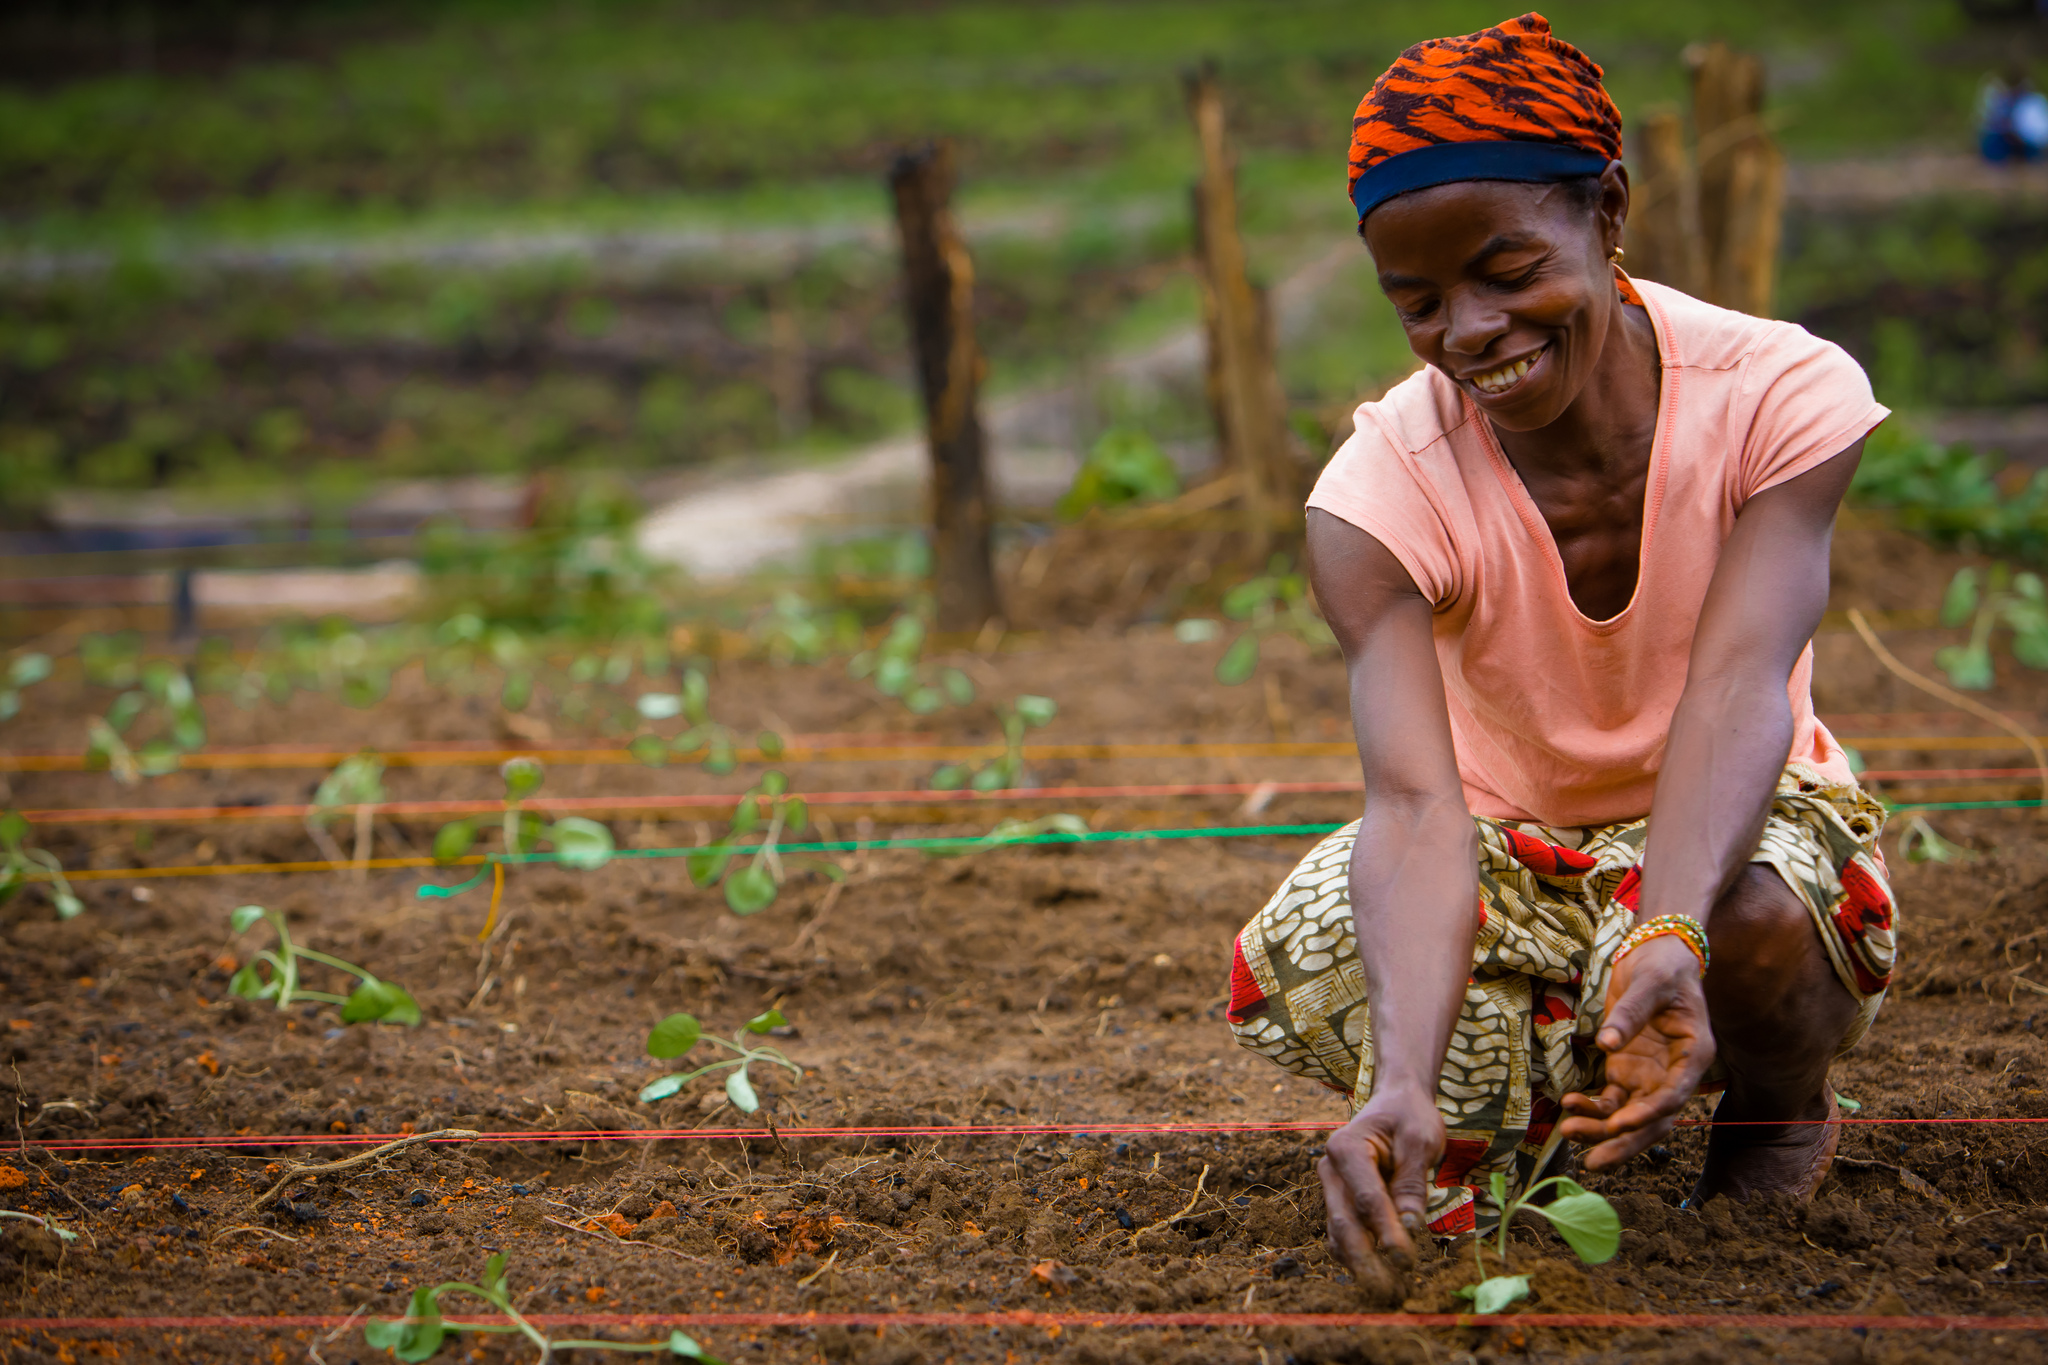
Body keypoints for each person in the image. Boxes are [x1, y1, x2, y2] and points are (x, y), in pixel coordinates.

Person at [1223, 13, 1899, 1298]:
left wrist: (1674, 931)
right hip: (1503, 840)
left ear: (1607, 211)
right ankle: (1525, 1095)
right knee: (1372, 984)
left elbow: (1736, 682)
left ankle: (1774, 1106)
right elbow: (1416, 804)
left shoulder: (1776, 396)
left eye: (1504, 270)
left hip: (1732, 807)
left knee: (1750, 916)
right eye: (1417, 302)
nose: (1468, 331)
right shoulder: (1373, 502)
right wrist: (1404, 1083)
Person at [1979, 65, 2048, 163]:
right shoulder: (2007, 101)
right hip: (2015, 138)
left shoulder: (2034, 101)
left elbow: (2036, 128)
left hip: (2031, 140)